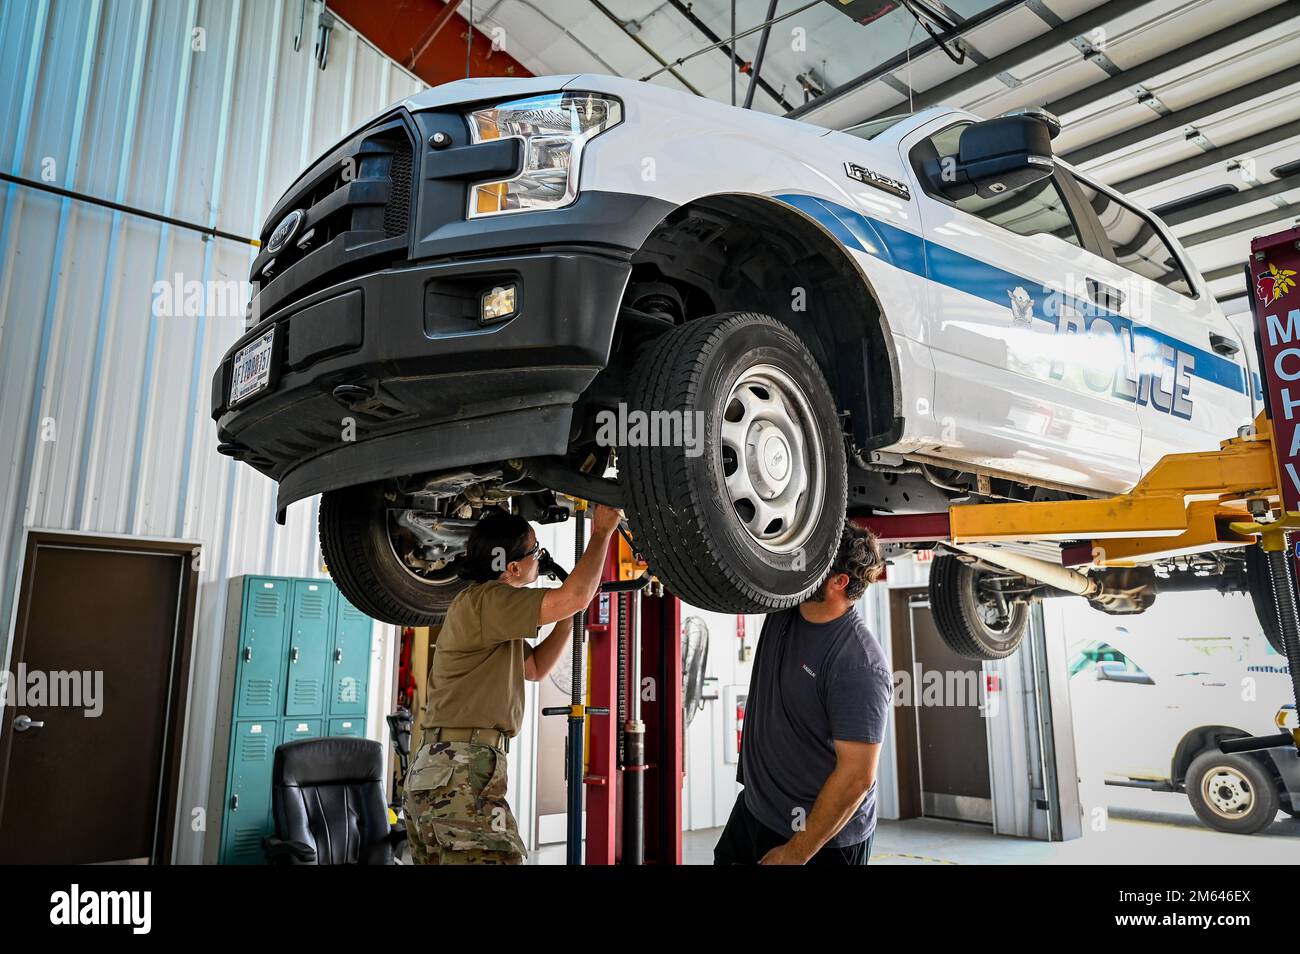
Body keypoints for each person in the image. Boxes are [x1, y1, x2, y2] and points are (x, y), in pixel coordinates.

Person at [403, 503, 621, 865]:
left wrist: (567, 620)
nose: (541, 558)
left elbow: (534, 667)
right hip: (461, 769)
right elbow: (574, 596)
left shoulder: (486, 610)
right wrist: (601, 533)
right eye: (536, 551)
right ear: (513, 567)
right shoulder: (491, 601)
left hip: (441, 769)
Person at [714, 524, 891, 865]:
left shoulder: (858, 664)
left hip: (820, 842)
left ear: (839, 582)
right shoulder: (787, 608)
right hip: (756, 812)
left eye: (814, 565)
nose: (799, 568)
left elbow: (856, 778)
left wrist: (796, 854)